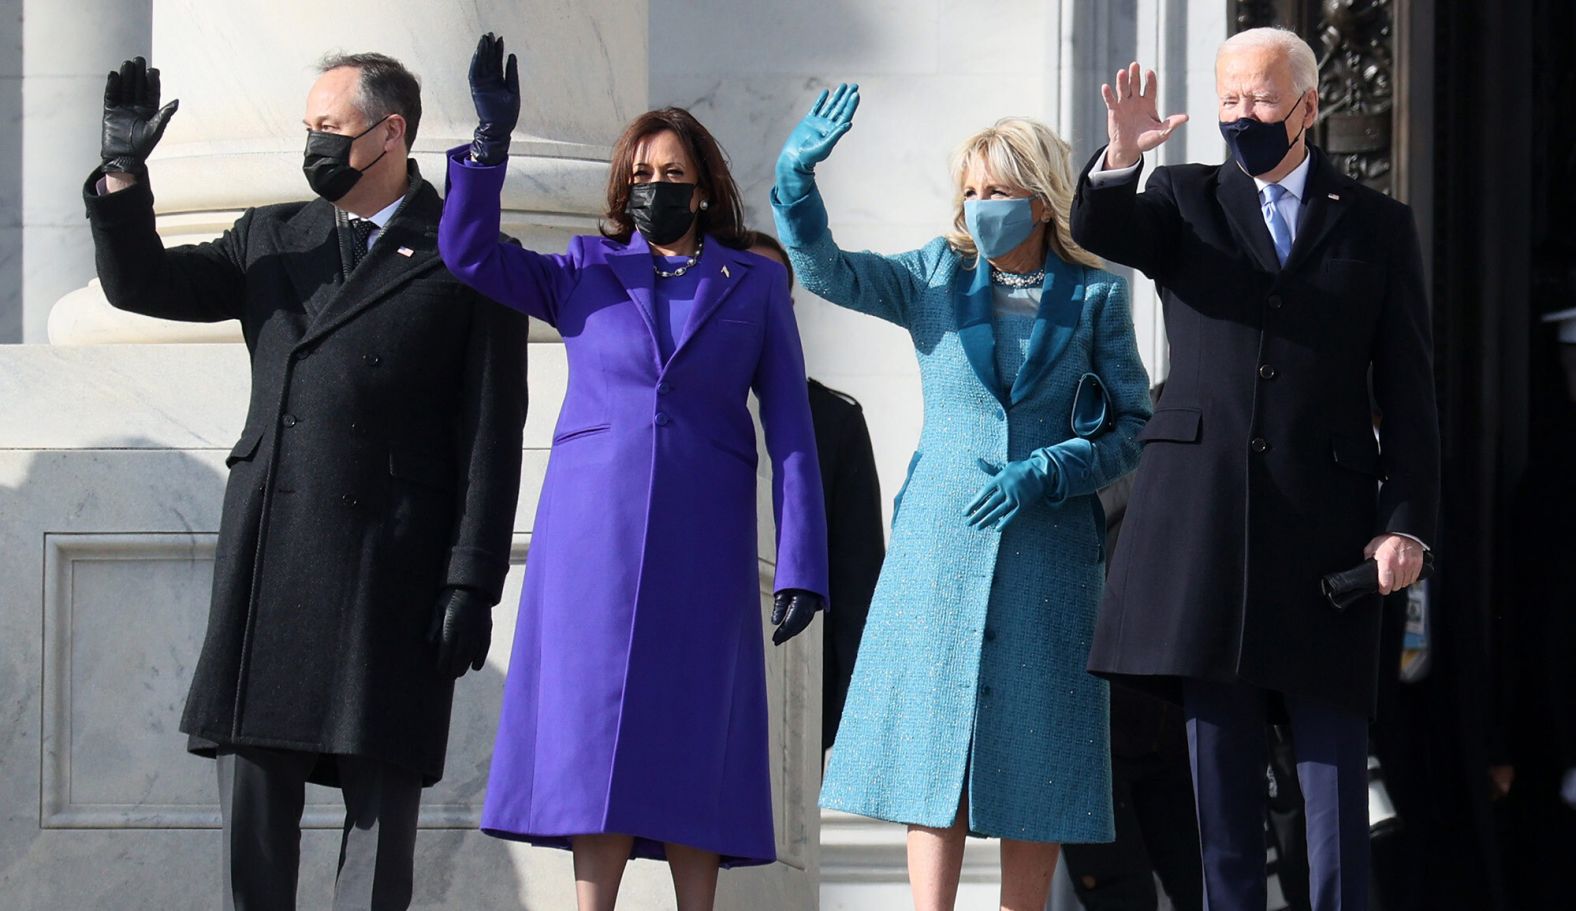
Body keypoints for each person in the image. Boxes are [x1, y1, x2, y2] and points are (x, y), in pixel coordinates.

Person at [83, 53, 528, 909]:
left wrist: (472, 581)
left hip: (391, 570)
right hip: (273, 562)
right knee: (253, 819)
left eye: (331, 129)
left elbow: (490, 429)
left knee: (376, 836)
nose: (315, 146)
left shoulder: (467, 254)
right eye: (310, 130)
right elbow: (140, 285)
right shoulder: (271, 238)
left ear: (391, 132)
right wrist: (122, 173)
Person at [436, 35, 829, 911]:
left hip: (704, 536)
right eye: (643, 171)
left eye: (674, 170)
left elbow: (794, 431)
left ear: (704, 183)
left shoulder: (752, 287)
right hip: (592, 540)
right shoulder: (583, 268)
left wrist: (802, 562)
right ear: (623, 187)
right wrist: (490, 146)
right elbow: (467, 254)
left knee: (696, 734)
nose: (657, 184)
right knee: (595, 739)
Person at [1070, 26, 1440, 911]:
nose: (1243, 116)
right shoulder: (1183, 198)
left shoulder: (1378, 224)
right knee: (1222, 805)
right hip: (1207, 536)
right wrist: (1120, 154)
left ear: (1309, 106)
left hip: (1329, 544)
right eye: (1230, 99)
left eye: (1263, 100)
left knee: (1332, 800)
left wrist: (1407, 520)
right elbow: (1100, 225)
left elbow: (1412, 391)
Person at [773, 86, 1152, 911]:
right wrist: (796, 182)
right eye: (971, 191)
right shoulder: (934, 276)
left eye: (998, 191)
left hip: (1048, 557)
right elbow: (827, 270)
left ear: (1043, 200)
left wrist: (1051, 469)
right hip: (940, 549)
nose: (980, 207)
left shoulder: (1095, 298)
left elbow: (1132, 426)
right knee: (933, 754)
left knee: (1038, 754)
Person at [1059, 383, 1204, 911]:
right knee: (1125, 896)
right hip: (1099, 733)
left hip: (1176, 733)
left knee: (1206, 887)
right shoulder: (1106, 458)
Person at [748, 232, 886, 754]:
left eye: (773, 296)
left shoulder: (832, 420)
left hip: (797, 676)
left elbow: (858, 575)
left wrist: (854, 710)